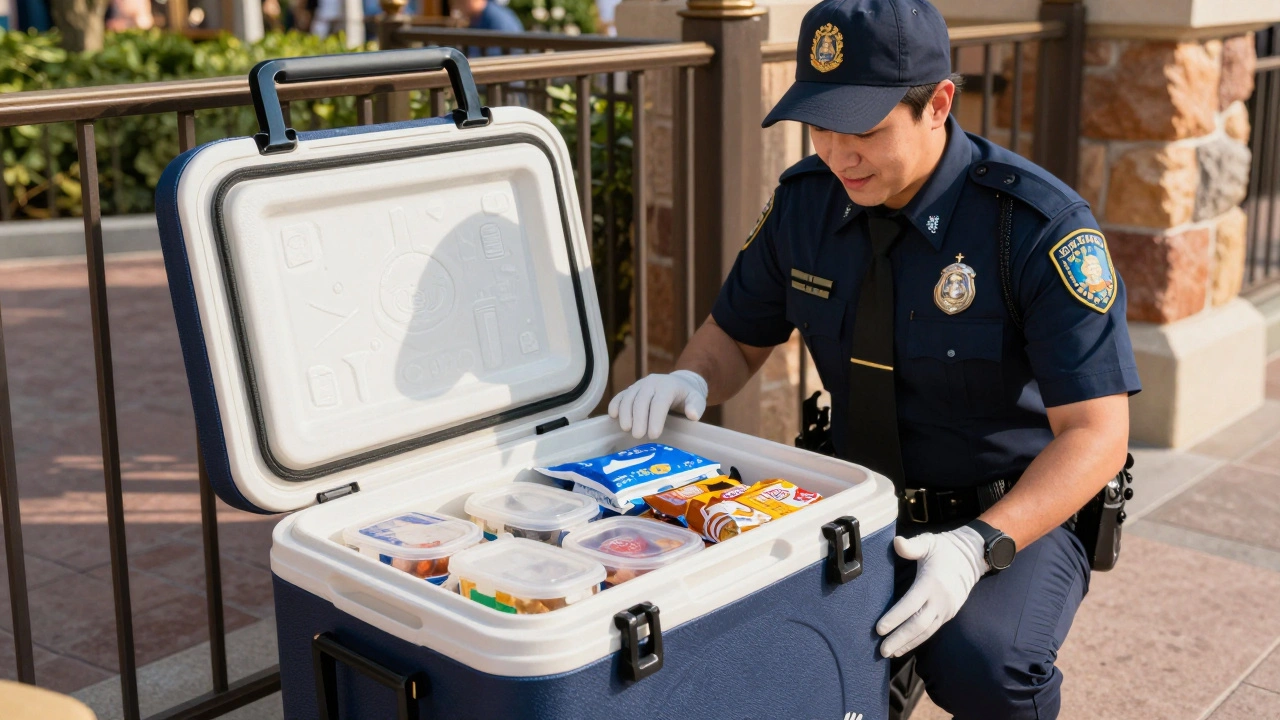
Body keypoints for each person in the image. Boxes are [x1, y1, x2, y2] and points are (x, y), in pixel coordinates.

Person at [605, 0, 1141, 717]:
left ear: (938, 104)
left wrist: (976, 547)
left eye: (863, 128)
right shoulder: (807, 204)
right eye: (820, 124)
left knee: (985, 663)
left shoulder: (1037, 229)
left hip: (1005, 507)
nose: (835, 150)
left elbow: (1097, 436)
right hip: (857, 499)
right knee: (781, 659)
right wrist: (687, 379)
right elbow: (735, 336)